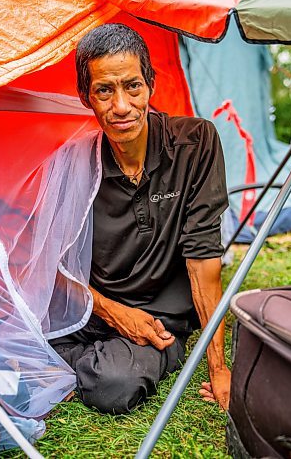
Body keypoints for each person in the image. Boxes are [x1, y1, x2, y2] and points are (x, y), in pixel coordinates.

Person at [50, 23, 230, 414]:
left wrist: (219, 368)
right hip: (94, 308)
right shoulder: (73, 161)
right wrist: (112, 312)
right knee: (3, 333)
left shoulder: (195, 143)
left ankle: (72, 362)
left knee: (115, 386)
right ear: (86, 97)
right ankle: (79, 354)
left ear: (151, 84)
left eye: (132, 86)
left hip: (158, 316)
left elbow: (203, 259)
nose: (120, 107)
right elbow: (52, 266)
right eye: (104, 91)